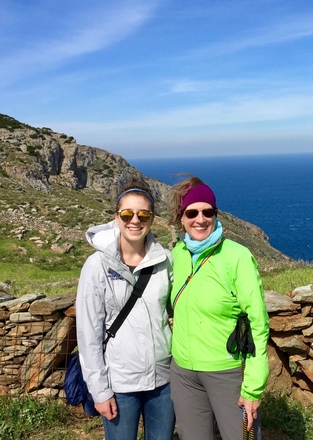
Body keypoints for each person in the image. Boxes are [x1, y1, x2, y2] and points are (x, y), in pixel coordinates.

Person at [167, 175, 269, 440]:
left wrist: (253, 388)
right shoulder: (178, 254)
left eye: (207, 211)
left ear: (215, 214)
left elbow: (258, 323)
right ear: (182, 217)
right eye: (192, 212)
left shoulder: (237, 257)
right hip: (183, 371)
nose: (200, 219)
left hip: (227, 371)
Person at [76, 180, 175, 440]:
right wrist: (100, 390)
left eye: (143, 214)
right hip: (119, 382)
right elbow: (89, 334)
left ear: (152, 219)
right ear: (116, 217)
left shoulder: (165, 262)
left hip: (162, 379)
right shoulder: (96, 266)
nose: (135, 220)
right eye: (127, 214)